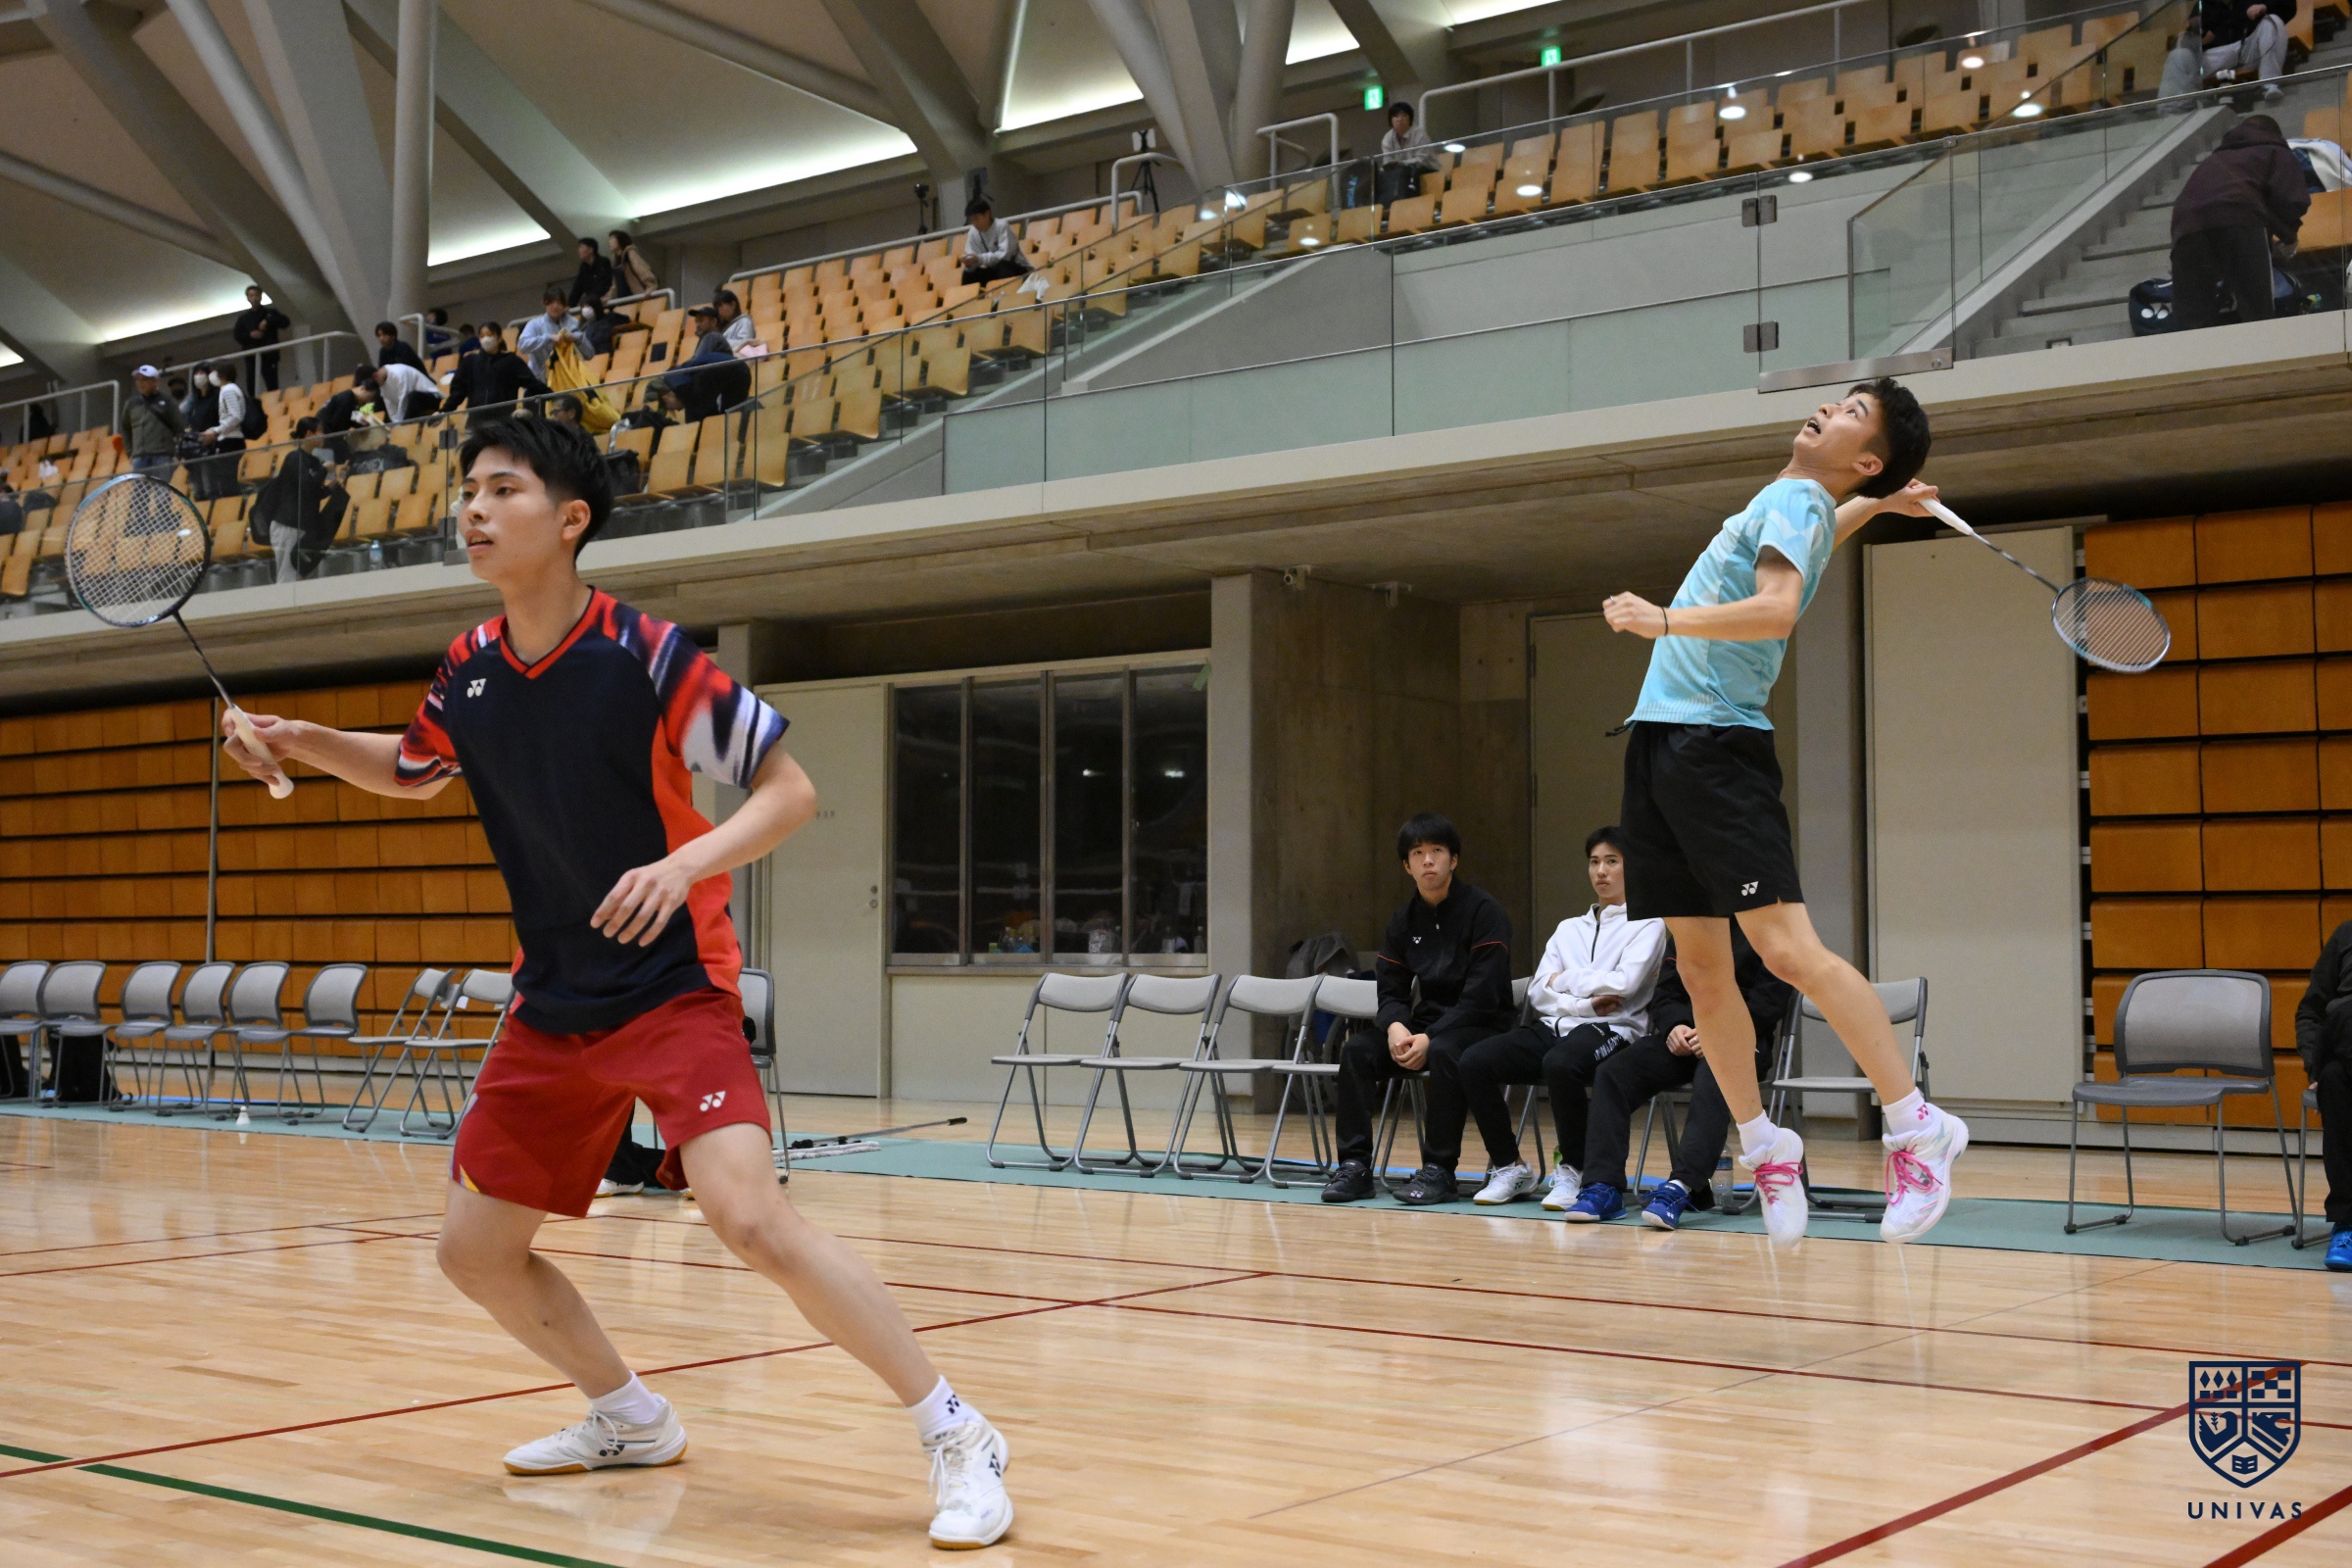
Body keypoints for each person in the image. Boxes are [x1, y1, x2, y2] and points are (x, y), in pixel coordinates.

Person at [219, 416, 1016, 1548]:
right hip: (554, 998)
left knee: (749, 1216)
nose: (474, 509)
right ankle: (630, 1415)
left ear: (570, 519)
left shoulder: (647, 654)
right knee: (473, 1250)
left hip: (671, 979)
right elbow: (413, 771)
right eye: (469, 490)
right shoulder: (470, 664)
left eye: (503, 489)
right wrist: (299, 738)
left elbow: (788, 792)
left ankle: (958, 1430)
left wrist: (685, 863)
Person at [1600, 377, 1955, 1249]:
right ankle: (1764, 1144)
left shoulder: (1794, 499)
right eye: (1840, 400)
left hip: (1714, 748)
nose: (1829, 409)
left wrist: (1663, 620)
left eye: (1853, 415)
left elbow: (1778, 609)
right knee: (1703, 972)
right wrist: (1878, 505)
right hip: (1662, 744)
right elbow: (1818, 539)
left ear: (1863, 457)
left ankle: (1917, 1126)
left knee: (1789, 953)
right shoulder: (1802, 502)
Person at [1455, 826, 1668, 1208]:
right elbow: (1538, 991)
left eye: (1612, 861)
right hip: (1557, 1025)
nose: (1601, 871)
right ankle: (1510, 1167)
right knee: (1474, 1060)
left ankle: (1575, 1169)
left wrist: (1564, 980)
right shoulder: (1568, 929)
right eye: (1594, 862)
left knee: (1561, 1063)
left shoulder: (1648, 924)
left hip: (1614, 1029)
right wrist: (1584, 1004)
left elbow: (1624, 983)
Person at [1320, 812, 1515, 1206]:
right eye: (1417, 853)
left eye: (1437, 851)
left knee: (1444, 1051)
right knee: (1357, 1051)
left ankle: (1439, 1170)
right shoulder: (1403, 920)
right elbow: (1391, 989)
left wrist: (1430, 1036)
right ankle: (1355, 1167)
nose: (1428, 860)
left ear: (1453, 860)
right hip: (1428, 1024)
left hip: (1482, 1024)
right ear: (1406, 866)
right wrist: (1395, 1026)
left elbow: (1482, 996)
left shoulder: (1484, 911)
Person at [1564, 926, 1793, 1228]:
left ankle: (1681, 1186)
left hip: (1741, 1038)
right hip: (1684, 1037)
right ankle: (1602, 1186)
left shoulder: (1765, 929)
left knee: (1717, 1073)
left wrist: (1718, 1030)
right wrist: (1675, 1025)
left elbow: (1770, 1001)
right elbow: (1665, 993)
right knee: (1613, 1073)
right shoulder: (1690, 928)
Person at [2170, 115, 2308, 331]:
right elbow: (2292, 200)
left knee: (2193, 319)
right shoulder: (2275, 149)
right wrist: (2289, 234)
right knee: (2257, 311)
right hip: (2240, 219)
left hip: (2186, 224)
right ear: (2276, 134)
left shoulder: (2216, 158)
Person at [2294, 918, 2352, 1270]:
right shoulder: (2346, 935)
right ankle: (2348, 1225)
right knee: (2331, 1077)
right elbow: (2311, 1012)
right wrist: (2313, 1069)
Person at [251, 416, 347, 583]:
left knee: (298, 575)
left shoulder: (313, 461)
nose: (323, 435)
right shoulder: (294, 458)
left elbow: (313, 494)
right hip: (288, 524)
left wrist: (331, 488)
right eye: (319, 431)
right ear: (309, 434)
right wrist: (324, 470)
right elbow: (306, 486)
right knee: (288, 575)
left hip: (304, 525)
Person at [442, 328, 551, 416]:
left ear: (499, 338)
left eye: (490, 335)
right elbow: (458, 391)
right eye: (482, 336)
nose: (486, 339)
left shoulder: (512, 361)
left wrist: (553, 396)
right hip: (476, 421)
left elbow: (532, 383)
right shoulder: (470, 361)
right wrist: (444, 410)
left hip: (504, 421)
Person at [2201, 0, 2296, 95]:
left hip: (2248, 49)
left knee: (2273, 20)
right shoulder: (2201, 5)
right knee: (2193, 57)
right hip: (2216, 55)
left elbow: (2288, 6)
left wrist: (2265, 6)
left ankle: (2269, 85)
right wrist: (2200, 42)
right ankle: (2194, 97)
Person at [119, 365, 186, 478]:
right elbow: (125, 428)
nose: (141, 383)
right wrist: (130, 452)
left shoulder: (168, 402)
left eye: (145, 379)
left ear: (155, 381)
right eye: (138, 380)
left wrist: (177, 454)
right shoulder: (131, 404)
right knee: (139, 489)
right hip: (139, 457)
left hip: (163, 455)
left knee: (162, 488)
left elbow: (180, 428)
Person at [519, 290, 596, 382]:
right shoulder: (535, 324)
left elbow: (590, 354)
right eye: (551, 303)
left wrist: (577, 338)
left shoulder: (573, 323)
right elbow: (522, 345)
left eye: (559, 303)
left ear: (564, 305)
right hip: (541, 380)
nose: (555, 306)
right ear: (544, 303)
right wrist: (548, 338)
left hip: (570, 378)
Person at [197, 361, 249, 495]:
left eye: (213, 372)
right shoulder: (228, 389)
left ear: (222, 374)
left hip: (231, 440)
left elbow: (235, 416)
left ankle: (232, 503)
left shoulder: (228, 390)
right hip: (230, 439)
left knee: (227, 482)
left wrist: (215, 430)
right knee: (226, 480)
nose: (211, 375)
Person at [1377, 100, 1441, 204]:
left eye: (1404, 115)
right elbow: (1387, 162)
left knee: (1404, 172)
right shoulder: (1387, 138)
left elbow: (1421, 160)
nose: (1400, 119)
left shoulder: (1420, 134)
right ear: (1391, 120)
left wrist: (1401, 164)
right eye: (1396, 116)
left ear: (1410, 118)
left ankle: (1404, 203)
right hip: (1402, 173)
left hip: (1428, 170)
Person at [230, 284, 290, 392]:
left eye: (256, 295)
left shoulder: (270, 313)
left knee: (272, 384)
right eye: (251, 295)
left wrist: (268, 321)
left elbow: (285, 322)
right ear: (248, 298)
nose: (254, 298)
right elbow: (237, 335)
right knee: (251, 385)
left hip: (269, 354)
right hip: (251, 356)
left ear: (261, 296)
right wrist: (250, 335)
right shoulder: (243, 318)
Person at [958, 197, 1030, 285]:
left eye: (976, 218)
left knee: (1003, 266)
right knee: (968, 275)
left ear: (987, 214)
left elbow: (1006, 255)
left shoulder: (1001, 226)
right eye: (971, 220)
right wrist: (969, 263)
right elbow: (972, 254)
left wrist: (979, 258)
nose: (974, 223)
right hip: (994, 270)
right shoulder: (973, 232)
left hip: (1015, 267)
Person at [372, 360, 442, 421]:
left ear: (375, 376)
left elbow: (404, 400)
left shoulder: (398, 373)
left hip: (432, 398)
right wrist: (396, 425)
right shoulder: (382, 385)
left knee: (414, 397)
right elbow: (392, 410)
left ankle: (407, 427)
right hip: (412, 406)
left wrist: (402, 423)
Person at [568, 236, 614, 310]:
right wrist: (569, 306)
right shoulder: (583, 268)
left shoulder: (604, 262)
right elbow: (577, 288)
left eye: (581, 247)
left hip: (606, 302)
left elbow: (605, 284)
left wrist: (593, 300)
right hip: (592, 304)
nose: (579, 250)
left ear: (591, 249)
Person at [611, 229, 659, 298]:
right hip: (621, 298)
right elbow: (614, 283)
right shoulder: (614, 260)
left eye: (613, 239)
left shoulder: (630, 254)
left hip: (634, 295)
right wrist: (609, 295)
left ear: (620, 240)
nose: (610, 242)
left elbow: (642, 271)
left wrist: (650, 286)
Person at [712, 288, 757, 353]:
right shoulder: (725, 327)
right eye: (717, 308)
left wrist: (721, 342)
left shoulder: (744, 321)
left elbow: (746, 343)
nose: (719, 311)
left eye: (721, 306)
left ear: (733, 305)